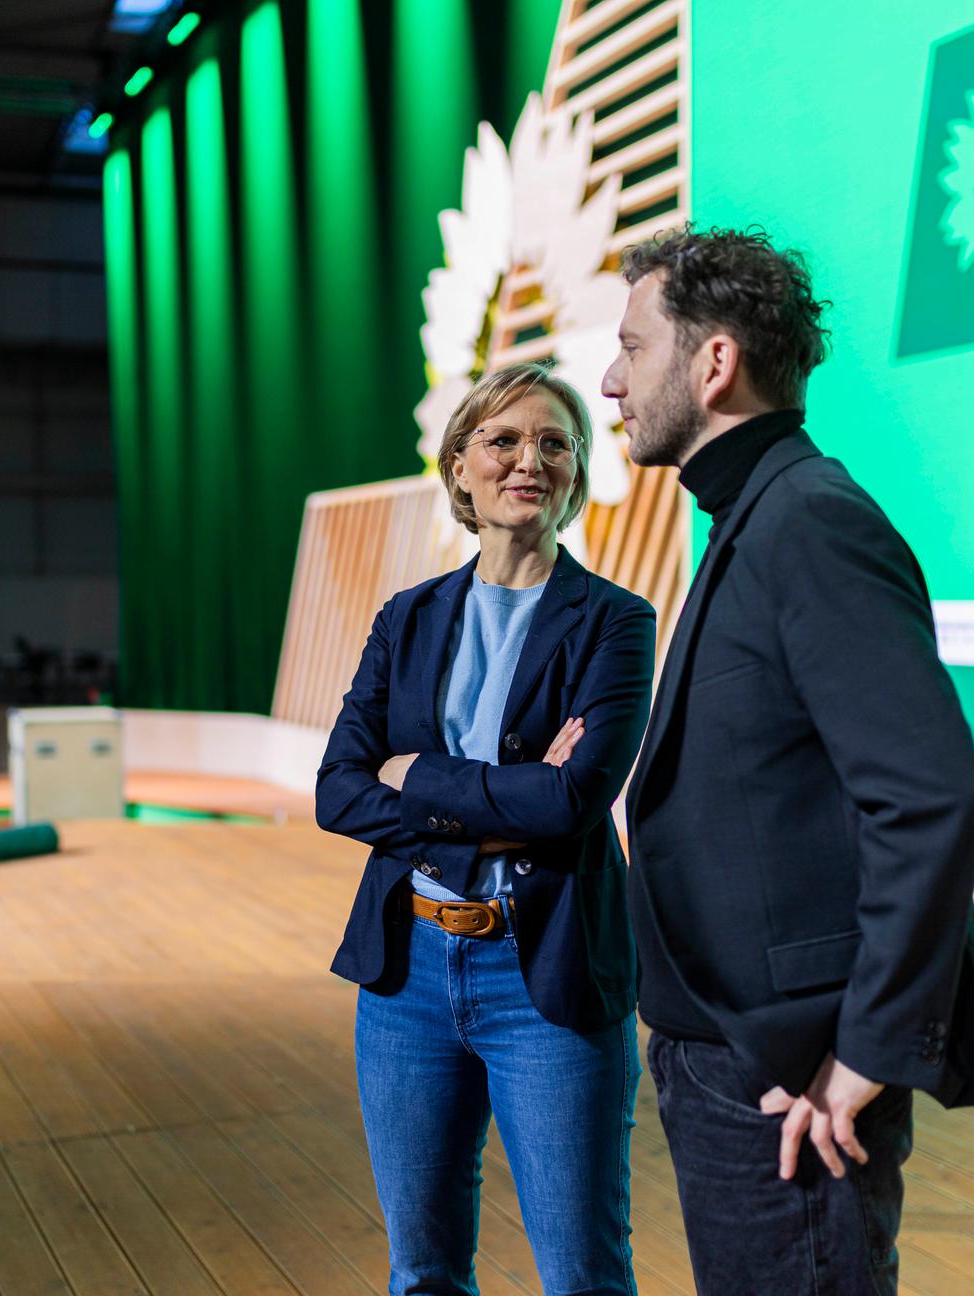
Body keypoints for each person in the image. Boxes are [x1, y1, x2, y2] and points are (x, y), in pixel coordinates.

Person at [600, 224, 974, 1295]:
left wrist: (867, 1053)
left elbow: (931, 797)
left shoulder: (809, 523)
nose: (610, 379)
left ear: (715, 362)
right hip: (736, 1058)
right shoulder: (755, 516)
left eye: (633, 348)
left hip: (786, 1083)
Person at [316, 363, 655, 1295]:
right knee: (422, 1273)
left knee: (583, 1274)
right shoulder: (406, 618)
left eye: (555, 444)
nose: (529, 461)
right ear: (460, 465)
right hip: (406, 977)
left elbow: (570, 805)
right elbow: (338, 791)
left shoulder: (617, 625)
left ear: (577, 474)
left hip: (545, 972)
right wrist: (504, 799)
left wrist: (416, 775)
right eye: (503, 441)